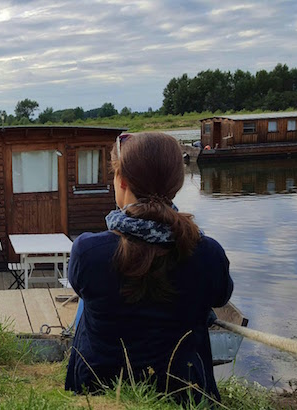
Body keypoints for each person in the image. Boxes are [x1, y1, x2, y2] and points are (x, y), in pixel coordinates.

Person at [65, 132, 233, 405]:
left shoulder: (87, 251)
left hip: (97, 393)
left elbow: (81, 288)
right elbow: (220, 297)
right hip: (185, 394)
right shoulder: (208, 253)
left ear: (122, 181)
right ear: (176, 185)